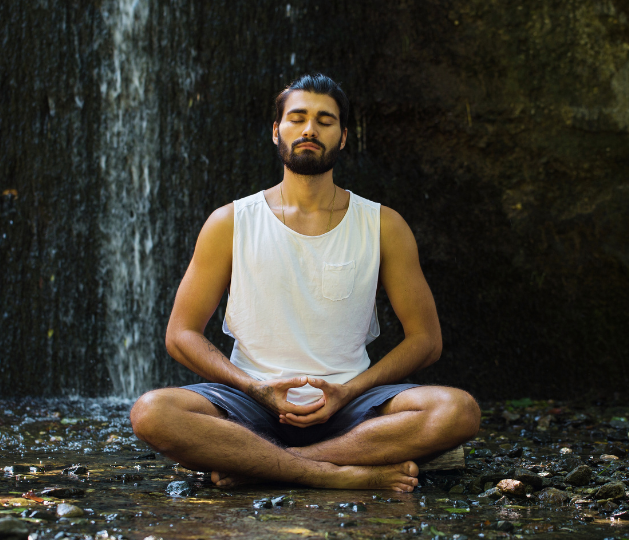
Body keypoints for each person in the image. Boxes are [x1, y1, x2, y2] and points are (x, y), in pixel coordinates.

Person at [130, 73, 480, 491]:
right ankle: (339, 475)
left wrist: (348, 393)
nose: (310, 129)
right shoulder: (231, 222)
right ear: (277, 131)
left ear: (344, 136)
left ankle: (262, 466)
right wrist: (255, 388)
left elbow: (426, 340)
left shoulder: (384, 225)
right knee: (152, 412)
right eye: (297, 118)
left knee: (458, 410)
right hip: (250, 404)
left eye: (325, 120)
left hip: (350, 405)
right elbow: (180, 334)